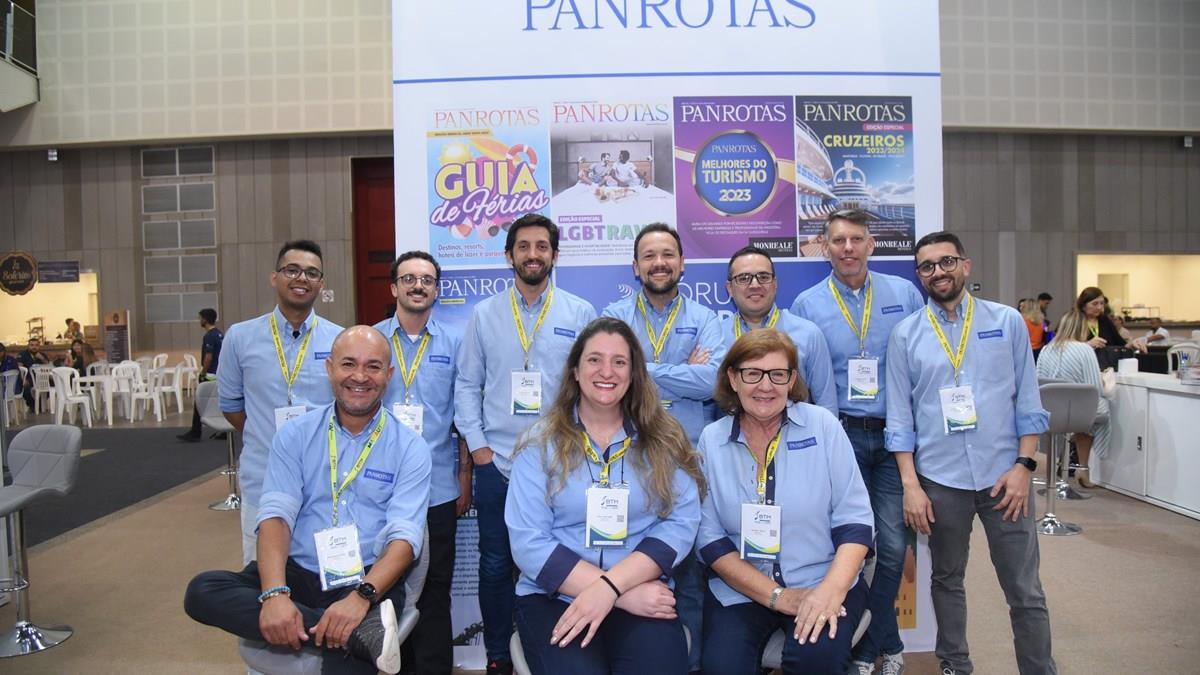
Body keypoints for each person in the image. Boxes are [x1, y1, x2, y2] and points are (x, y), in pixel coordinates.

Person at [184, 325, 432, 675]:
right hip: (299, 573)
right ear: (330, 368)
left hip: (366, 578)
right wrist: (275, 595)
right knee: (202, 591)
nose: (360, 376)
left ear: (388, 375)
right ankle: (358, 635)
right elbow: (276, 518)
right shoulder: (294, 435)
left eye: (373, 366)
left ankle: (348, 630)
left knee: (345, 669)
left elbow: (404, 539)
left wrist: (361, 597)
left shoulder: (410, 447)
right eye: (348, 364)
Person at [886, 231, 1055, 675]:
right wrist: (911, 486)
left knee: (1025, 590)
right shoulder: (905, 335)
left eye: (946, 261)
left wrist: (1024, 467)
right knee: (946, 580)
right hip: (940, 481)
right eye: (927, 266)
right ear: (919, 275)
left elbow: (1029, 403)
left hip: (1006, 479)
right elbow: (900, 419)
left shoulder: (1007, 321)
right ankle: (955, 666)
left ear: (965, 265)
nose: (938, 272)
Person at [506, 317, 703, 675]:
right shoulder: (539, 444)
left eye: (619, 361)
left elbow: (681, 522)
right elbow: (528, 541)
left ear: (634, 374)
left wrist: (614, 586)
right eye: (594, 359)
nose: (607, 371)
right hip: (555, 596)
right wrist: (617, 593)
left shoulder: (664, 440)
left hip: (642, 588)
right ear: (575, 371)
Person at [454, 213, 598, 675]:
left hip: (561, 464)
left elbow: (594, 385)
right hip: (497, 463)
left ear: (555, 255)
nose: (532, 255)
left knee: (559, 562)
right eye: (523, 247)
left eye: (542, 246)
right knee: (496, 564)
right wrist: (478, 450)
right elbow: (466, 386)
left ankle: (553, 648)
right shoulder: (485, 314)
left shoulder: (579, 313)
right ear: (509, 255)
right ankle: (498, 656)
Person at [790, 208, 923, 675]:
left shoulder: (904, 294)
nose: (848, 248)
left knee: (892, 548)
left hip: (894, 440)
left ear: (871, 244)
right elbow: (803, 381)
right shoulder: (807, 305)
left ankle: (866, 649)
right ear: (825, 247)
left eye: (856, 239)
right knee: (852, 547)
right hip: (840, 436)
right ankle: (883, 642)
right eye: (838, 240)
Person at [697, 328, 872, 674]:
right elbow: (710, 540)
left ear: (792, 380)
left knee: (816, 660)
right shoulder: (711, 441)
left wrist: (830, 590)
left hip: (822, 580)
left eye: (777, 374)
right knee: (721, 666)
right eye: (752, 373)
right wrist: (777, 596)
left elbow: (855, 521)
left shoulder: (823, 427)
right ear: (733, 378)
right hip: (743, 590)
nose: (765, 386)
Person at [602, 222, 723, 673]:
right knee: (629, 565)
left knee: (689, 576)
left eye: (668, 254)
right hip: (627, 460)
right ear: (635, 266)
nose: (659, 263)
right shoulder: (614, 317)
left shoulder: (706, 318)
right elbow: (608, 379)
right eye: (649, 256)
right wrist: (678, 369)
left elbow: (711, 382)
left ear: (682, 263)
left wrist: (642, 369)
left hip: (686, 461)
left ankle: (687, 665)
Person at [218, 240, 345, 563]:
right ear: (274, 278)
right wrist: (268, 435)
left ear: (321, 284)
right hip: (263, 479)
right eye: (292, 270)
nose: (302, 278)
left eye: (312, 273)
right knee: (263, 573)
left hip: (323, 483)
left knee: (323, 573)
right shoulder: (240, 338)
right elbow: (231, 406)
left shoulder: (339, 340)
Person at [372, 251, 469, 675]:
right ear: (394, 287)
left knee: (434, 590)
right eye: (409, 278)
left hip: (437, 490)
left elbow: (464, 416)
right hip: (380, 491)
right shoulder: (371, 340)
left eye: (427, 280)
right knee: (383, 586)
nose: (418, 286)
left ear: (436, 290)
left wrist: (464, 474)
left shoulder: (456, 343)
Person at [721, 246, 837, 417]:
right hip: (733, 432)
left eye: (763, 277)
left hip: (796, 433)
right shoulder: (715, 336)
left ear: (775, 284)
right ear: (730, 288)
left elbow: (827, 406)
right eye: (744, 278)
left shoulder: (809, 334)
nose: (755, 284)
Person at [1037, 310, 1109, 489]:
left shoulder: (1047, 349)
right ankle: (1083, 467)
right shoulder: (1085, 350)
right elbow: (1094, 387)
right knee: (1100, 411)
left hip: (1048, 410)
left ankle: (1058, 468)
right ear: (1082, 328)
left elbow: (1037, 380)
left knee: (1081, 412)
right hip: (1075, 414)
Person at [178, 308, 224, 443]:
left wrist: (203, 373)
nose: (199, 320)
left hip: (210, 374)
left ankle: (195, 431)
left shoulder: (209, 336)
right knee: (220, 402)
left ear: (205, 319)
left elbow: (208, 357)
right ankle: (224, 431)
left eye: (200, 318)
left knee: (199, 401)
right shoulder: (219, 334)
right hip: (219, 373)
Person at [17, 337, 50, 412]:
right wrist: (23, 379)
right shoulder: (22, 354)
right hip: (28, 378)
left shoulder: (42, 354)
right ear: (28, 346)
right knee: (25, 387)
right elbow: (19, 368)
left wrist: (42, 358)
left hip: (41, 379)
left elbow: (48, 366)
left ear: (39, 346)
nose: (34, 347)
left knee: (52, 384)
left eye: (36, 345)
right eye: (32, 345)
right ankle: (33, 405)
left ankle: (40, 404)